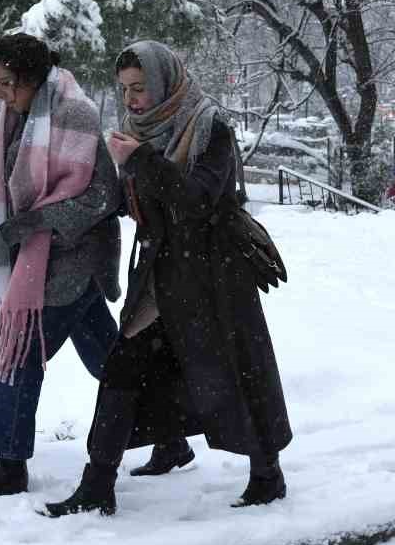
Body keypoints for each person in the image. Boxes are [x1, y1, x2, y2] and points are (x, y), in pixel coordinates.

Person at [44, 40, 293, 517]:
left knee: (235, 372)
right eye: (125, 89)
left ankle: (267, 473)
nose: (132, 98)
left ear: (164, 82)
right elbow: (134, 203)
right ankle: (98, 484)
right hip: (159, 276)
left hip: (212, 274)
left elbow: (199, 199)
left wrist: (141, 161)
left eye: (139, 87)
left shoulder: (208, 126)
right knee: (122, 367)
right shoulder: (137, 131)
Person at [0, 32, 123, 497]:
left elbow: (104, 194)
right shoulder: (16, 115)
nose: (0, 93)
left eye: (7, 83)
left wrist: (40, 220)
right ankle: (170, 433)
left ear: (33, 77)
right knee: (114, 363)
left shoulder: (74, 114)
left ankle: (10, 464)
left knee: (18, 355)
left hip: (69, 261)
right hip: (37, 260)